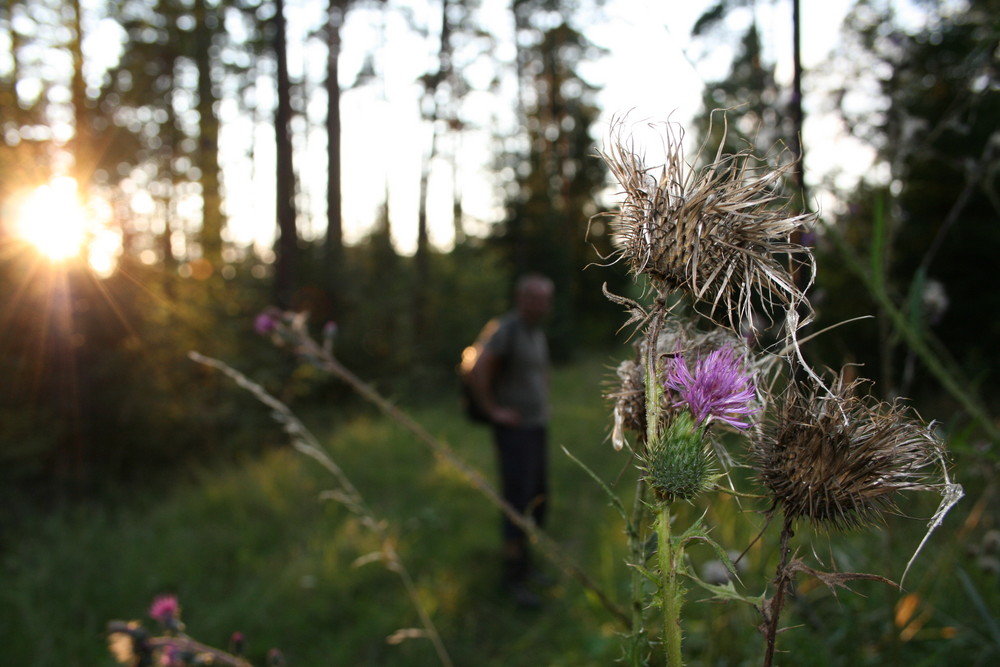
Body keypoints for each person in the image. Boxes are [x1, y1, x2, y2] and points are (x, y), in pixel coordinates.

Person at [469, 273, 554, 607]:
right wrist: (493, 410)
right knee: (516, 501)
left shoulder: (536, 332)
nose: (544, 305)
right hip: (515, 432)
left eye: (548, 298)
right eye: (538, 298)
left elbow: (539, 372)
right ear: (523, 298)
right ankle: (512, 577)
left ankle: (527, 565)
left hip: (537, 426)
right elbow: (478, 367)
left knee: (538, 496)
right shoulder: (508, 329)